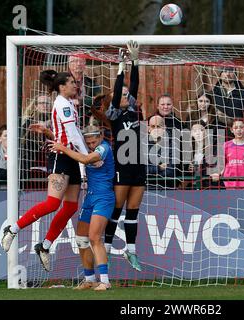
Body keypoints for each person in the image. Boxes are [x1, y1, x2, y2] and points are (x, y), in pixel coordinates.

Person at [1, 69, 88, 272]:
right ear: (61, 86)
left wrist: (50, 132)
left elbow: (66, 133)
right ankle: (12, 229)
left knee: (71, 207)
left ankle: (45, 246)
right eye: (72, 82)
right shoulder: (62, 103)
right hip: (61, 157)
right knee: (52, 203)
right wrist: (87, 158)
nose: (76, 85)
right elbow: (74, 136)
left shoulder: (67, 104)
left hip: (71, 157)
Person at [50, 125, 114, 291]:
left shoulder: (104, 148)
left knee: (94, 237)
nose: (91, 145)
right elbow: (69, 142)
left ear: (100, 136)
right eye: (89, 142)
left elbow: (85, 160)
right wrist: (49, 134)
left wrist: (63, 148)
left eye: (94, 141)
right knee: (81, 239)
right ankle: (89, 279)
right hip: (90, 197)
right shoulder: (85, 147)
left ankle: (105, 281)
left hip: (104, 197)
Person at [104, 41, 144, 272]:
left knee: (133, 210)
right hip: (122, 164)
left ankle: (131, 250)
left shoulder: (133, 110)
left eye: (128, 94)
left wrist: (135, 61)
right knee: (117, 209)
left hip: (138, 165)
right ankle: (107, 251)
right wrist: (121, 66)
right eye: (123, 94)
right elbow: (120, 89)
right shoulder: (114, 114)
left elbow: (134, 86)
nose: (126, 96)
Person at [211, 119, 244, 189]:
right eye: (236, 128)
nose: (239, 130)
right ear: (231, 130)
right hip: (228, 183)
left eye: (241, 127)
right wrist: (218, 173)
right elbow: (221, 164)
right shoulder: (226, 145)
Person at [20, 94, 53, 189]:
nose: (45, 105)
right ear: (35, 106)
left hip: (50, 164)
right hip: (32, 165)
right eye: (41, 103)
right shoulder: (27, 122)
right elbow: (24, 143)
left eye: (47, 103)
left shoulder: (54, 121)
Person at [67, 54, 101, 126]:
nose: (79, 64)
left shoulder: (91, 83)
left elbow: (98, 100)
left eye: (81, 61)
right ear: (69, 64)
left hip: (87, 120)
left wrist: (80, 101)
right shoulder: (62, 81)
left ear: (85, 64)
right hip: (67, 117)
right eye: (75, 61)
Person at [147, 115, 177, 190]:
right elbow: (141, 171)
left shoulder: (173, 144)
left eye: (158, 126)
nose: (155, 129)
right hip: (147, 188)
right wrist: (159, 168)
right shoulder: (142, 144)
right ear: (149, 129)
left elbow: (171, 171)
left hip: (168, 188)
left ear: (164, 128)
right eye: (153, 126)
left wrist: (151, 172)